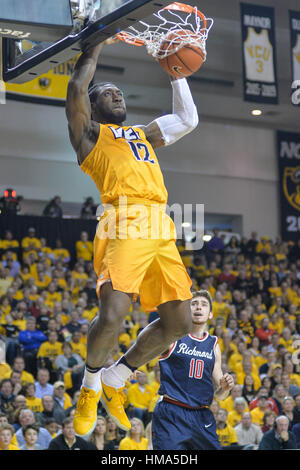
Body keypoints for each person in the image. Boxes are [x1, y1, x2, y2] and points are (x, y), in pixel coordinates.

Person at [66, 37, 200, 436]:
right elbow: (75, 88)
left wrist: (176, 74)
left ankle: (118, 376)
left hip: (160, 224)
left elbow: (188, 118)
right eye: (108, 93)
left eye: (120, 92)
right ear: (94, 106)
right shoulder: (89, 135)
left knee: (178, 323)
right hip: (122, 219)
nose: (117, 95)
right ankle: (90, 385)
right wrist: (95, 45)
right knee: (112, 315)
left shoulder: (143, 134)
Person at [151, 290, 234, 450]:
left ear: (210, 314)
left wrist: (225, 388)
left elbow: (220, 395)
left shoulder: (214, 345)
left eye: (203, 305)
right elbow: (147, 349)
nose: (198, 307)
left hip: (201, 415)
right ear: (187, 311)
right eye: (194, 304)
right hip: (172, 412)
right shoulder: (173, 335)